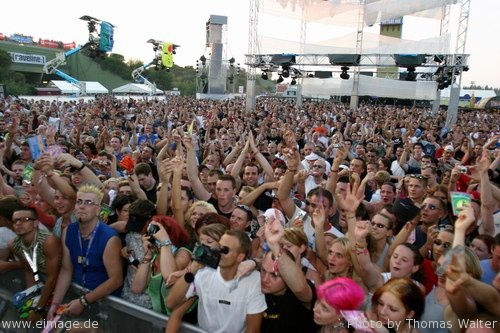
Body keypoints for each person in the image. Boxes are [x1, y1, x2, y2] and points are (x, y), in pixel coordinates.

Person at [166, 230, 267, 333]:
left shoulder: (253, 280)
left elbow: (253, 329)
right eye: (219, 247)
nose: (219, 252)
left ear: (240, 256)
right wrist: (193, 268)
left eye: (225, 250)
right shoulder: (203, 273)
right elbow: (171, 303)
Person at [48, 184, 123, 319]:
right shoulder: (68, 231)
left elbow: (116, 280)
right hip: (77, 298)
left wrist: (84, 301)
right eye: (79, 202)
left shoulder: (109, 238)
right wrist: (55, 304)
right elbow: (66, 270)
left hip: (104, 304)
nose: (82, 206)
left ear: (98, 209)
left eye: (88, 203)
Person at [259, 212, 319, 333]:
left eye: (274, 275)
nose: (265, 279)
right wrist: (254, 262)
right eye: (263, 271)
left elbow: (300, 289)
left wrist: (275, 247)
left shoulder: (300, 292)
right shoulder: (256, 288)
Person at [8, 206, 61, 321]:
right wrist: (31, 299)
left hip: (63, 287)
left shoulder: (49, 242)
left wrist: (38, 308)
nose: (18, 223)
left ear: (36, 223)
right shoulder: (13, 245)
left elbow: (53, 277)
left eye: (24, 219)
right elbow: (29, 270)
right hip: (44, 285)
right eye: (15, 221)